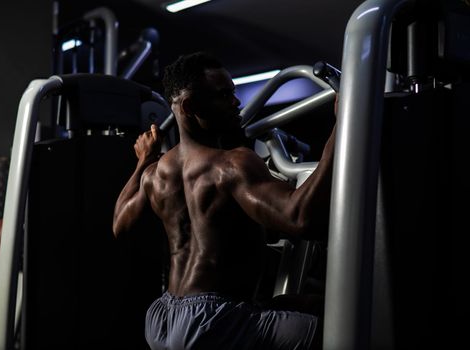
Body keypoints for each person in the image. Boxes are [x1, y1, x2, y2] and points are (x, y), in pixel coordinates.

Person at [112, 51, 336, 350]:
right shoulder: (231, 165)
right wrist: (345, 124)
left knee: (305, 304)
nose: (236, 102)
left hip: (163, 319)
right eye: (223, 95)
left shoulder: (156, 173)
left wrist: (143, 160)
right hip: (213, 322)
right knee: (344, 328)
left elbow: (119, 224)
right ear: (191, 107)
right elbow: (299, 217)